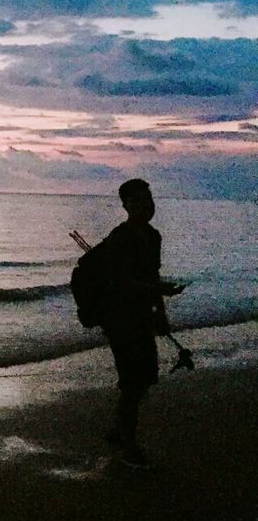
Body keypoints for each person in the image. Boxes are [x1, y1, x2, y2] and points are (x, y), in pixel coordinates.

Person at [98, 178, 182, 467]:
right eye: (139, 201)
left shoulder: (153, 236)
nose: (147, 205)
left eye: (149, 199)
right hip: (119, 317)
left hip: (142, 314)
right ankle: (128, 445)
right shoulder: (119, 238)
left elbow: (152, 277)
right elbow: (120, 281)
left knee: (144, 376)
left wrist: (161, 312)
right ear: (126, 205)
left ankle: (120, 429)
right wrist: (156, 292)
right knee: (134, 380)